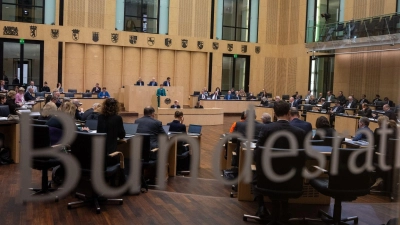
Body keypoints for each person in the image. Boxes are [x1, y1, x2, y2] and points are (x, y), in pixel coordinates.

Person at [253, 101, 305, 218]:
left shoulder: (266, 129)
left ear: (274, 114)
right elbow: (302, 158)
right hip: (291, 180)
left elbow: (257, 154)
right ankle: (284, 209)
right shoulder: (300, 133)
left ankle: (264, 208)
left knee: (255, 174)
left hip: (267, 179)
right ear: (288, 113)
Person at [97, 98, 125, 164]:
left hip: (100, 153)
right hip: (111, 154)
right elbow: (121, 135)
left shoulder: (100, 117)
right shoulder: (117, 118)